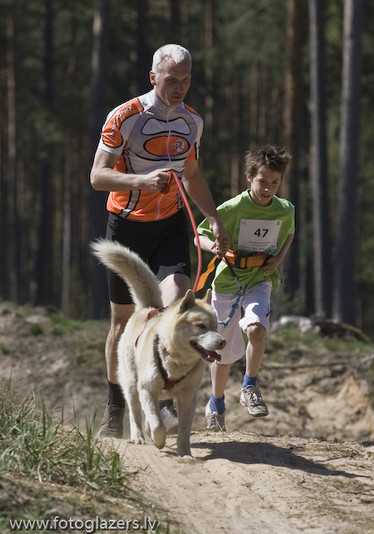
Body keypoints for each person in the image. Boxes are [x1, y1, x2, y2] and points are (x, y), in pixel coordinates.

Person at [90, 44, 229, 438]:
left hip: (170, 225)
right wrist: (141, 182)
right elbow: (97, 177)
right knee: (122, 322)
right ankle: (115, 409)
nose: (180, 87)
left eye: (186, 80)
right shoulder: (125, 117)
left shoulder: (192, 121)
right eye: (172, 80)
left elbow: (193, 176)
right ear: (154, 78)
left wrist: (214, 218)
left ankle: (164, 400)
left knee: (174, 304)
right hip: (126, 225)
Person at [198, 144, 295, 431]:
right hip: (228, 282)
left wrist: (278, 258)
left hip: (260, 280)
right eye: (262, 182)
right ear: (249, 178)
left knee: (256, 329)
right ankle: (216, 404)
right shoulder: (232, 208)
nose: (268, 189)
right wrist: (213, 246)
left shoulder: (285, 208)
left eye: (275, 183)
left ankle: (250, 386)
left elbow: (289, 233)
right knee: (222, 351)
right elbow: (199, 236)